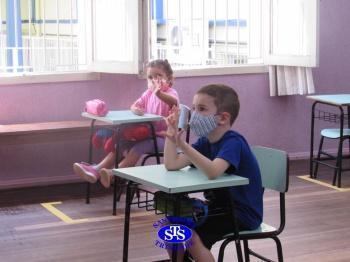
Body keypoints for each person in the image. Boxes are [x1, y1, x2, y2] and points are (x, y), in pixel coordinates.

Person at [163, 84, 263, 262]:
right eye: (193, 109)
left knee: (191, 235)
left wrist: (183, 145)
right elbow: (172, 164)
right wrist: (172, 135)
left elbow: (213, 172)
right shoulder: (204, 142)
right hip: (219, 207)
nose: (194, 115)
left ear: (223, 118)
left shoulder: (233, 142)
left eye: (201, 109)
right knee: (171, 224)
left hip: (242, 213)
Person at [73, 59, 179, 188]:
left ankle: (113, 174)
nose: (154, 80)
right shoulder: (148, 93)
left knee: (138, 148)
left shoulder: (170, 93)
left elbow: (173, 102)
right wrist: (136, 109)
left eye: (158, 76)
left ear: (168, 78)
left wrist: (159, 93)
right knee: (121, 144)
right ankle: (96, 170)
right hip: (146, 135)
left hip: (165, 139)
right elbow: (134, 105)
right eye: (150, 77)